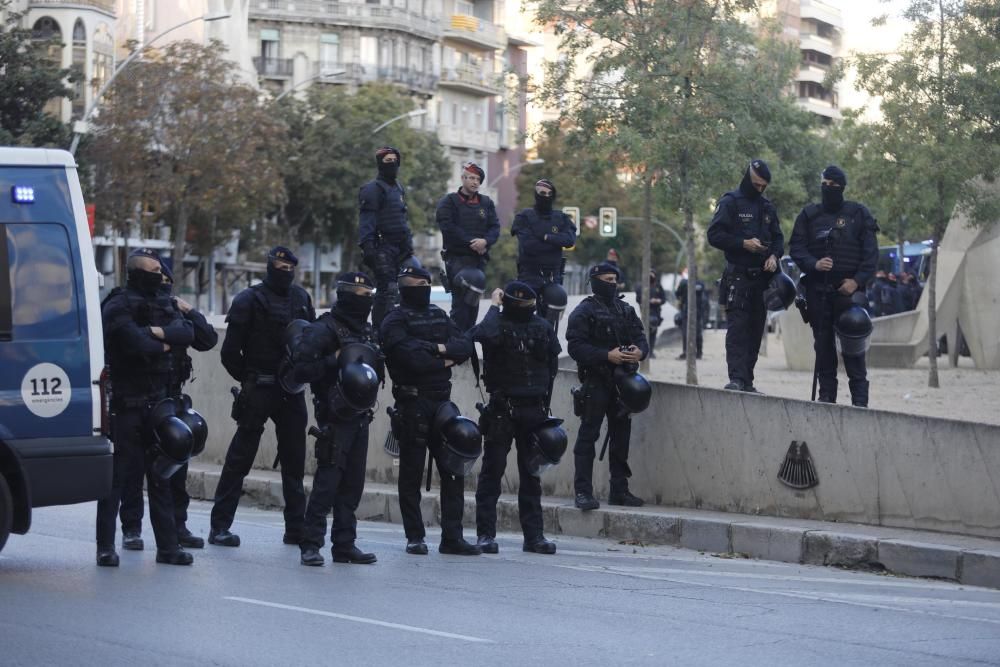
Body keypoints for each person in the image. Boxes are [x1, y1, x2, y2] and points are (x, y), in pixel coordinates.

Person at [97, 248, 196, 567]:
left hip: (158, 405)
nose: (160, 274)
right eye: (154, 270)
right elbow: (132, 343)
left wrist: (157, 334)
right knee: (117, 479)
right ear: (137, 273)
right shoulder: (117, 304)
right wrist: (163, 341)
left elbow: (188, 333)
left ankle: (168, 547)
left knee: (161, 478)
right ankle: (105, 547)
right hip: (126, 405)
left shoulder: (164, 303)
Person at [211, 247, 315, 547]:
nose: (285, 270)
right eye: (280, 265)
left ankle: (295, 528)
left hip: (291, 390)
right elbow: (230, 352)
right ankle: (219, 527)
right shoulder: (248, 299)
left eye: (289, 266)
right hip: (259, 388)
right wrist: (249, 379)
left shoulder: (301, 298)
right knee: (239, 459)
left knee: (294, 462)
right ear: (269, 266)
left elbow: (309, 342)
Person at [380, 265, 481, 556]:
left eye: (422, 283)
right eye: (412, 284)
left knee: (454, 469)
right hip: (412, 403)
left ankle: (452, 537)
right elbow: (411, 361)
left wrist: (434, 350)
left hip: (442, 402)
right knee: (410, 473)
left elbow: (463, 346)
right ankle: (415, 536)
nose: (417, 287)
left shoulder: (438, 314)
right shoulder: (394, 320)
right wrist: (444, 356)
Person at [119, 262, 218, 552]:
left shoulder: (174, 310)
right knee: (134, 468)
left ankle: (178, 526)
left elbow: (207, 339)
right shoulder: (133, 307)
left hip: (171, 399)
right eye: (156, 278)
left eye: (165, 279)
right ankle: (132, 529)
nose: (161, 284)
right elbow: (134, 341)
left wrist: (189, 311)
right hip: (139, 397)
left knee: (176, 467)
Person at [294, 272, 381, 567]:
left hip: (360, 415)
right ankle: (310, 543)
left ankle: (344, 544)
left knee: (352, 484)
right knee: (328, 481)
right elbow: (301, 369)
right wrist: (334, 359)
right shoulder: (324, 329)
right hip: (333, 414)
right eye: (358, 292)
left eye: (367, 293)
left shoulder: (367, 331)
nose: (364, 299)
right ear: (344, 295)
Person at [469, 282, 562, 555]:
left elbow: (552, 365)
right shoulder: (496, 324)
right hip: (502, 410)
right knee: (492, 473)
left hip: (533, 410)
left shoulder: (542, 327)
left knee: (532, 476)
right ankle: (486, 534)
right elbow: (482, 334)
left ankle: (534, 536)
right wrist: (494, 306)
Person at [789, 165, 879, 407]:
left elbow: (871, 256)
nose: (827, 189)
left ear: (842, 187)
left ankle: (860, 402)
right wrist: (814, 264)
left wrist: (856, 281)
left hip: (848, 294)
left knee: (853, 346)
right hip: (818, 292)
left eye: (833, 185)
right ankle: (826, 397)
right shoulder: (809, 215)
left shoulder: (858, 214)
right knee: (824, 350)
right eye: (824, 184)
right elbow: (796, 248)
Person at [566, 263, 649, 510]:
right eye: (607, 279)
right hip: (596, 381)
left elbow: (641, 338)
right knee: (588, 436)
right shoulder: (584, 311)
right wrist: (606, 355)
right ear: (595, 281)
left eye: (615, 279)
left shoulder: (626, 309)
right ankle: (583, 492)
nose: (612, 283)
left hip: (623, 384)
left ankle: (619, 490)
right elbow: (575, 347)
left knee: (621, 437)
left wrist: (639, 352)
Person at [707, 158, 783, 392]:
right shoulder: (730, 202)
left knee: (755, 331)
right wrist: (742, 244)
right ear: (748, 178)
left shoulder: (767, 206)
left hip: (761, 279)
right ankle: (737, 379)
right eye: (756, 184)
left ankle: (748, 380)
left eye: (763, 186)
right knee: (738, 330)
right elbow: (714, 235)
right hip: (738, 277)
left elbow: (778, 239)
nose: (759, 189)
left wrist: (774, 256)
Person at [436, 161, 500, 330]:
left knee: (472, 308)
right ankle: (456, 343)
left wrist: (485, 242)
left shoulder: (486, 203)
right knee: (460, 308)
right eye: (471, 178)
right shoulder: (448, 202)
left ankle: (467, 343)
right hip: (457, 260)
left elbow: (495, 227)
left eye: (478, 179)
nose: (474, 182)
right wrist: (473, 243)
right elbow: (448, 228)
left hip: (478, 261)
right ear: (463, 178)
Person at [359, 146, 416, 328]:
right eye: (387, 161)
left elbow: (401, 219)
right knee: (388, 291)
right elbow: (367, 220)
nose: (392, 164)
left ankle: (403, 328)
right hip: (382, 247)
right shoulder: (372, 189)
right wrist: (368, 247)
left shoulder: (398, 188)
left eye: (394, 160)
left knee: (414, 284)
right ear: (380, 164)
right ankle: (379, 332)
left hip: (401, 248)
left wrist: (408, 244)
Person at [511, 179, 577, 328]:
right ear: (535, 194)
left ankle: (548, 349)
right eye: (542, 193)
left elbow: (569, 240)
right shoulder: (524, 217)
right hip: (529, 275)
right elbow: (528, 245)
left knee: (549, 325)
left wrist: (547, 237)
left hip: (553, 276)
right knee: (521, 319)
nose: (545, 196)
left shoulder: (561, 218)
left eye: (549, 193)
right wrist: (555, 243)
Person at [673, 273, 708, 360]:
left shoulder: (685, 283)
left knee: (687, 333)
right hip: (696, 312)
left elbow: (677, 294)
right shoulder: (700, 283)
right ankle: (698, 353)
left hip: (689, 312)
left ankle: (687, 352)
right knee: (696, 333)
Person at [635, 271, 668, 358]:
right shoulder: (641, 286)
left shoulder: (657, 286)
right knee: (645, 333)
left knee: (653, 332)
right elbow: (638, 299)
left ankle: (651, 351)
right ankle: (644, 351)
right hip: (646, 312)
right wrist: (648, 301)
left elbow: (664, 299)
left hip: (656, 312)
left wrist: (658, 301)